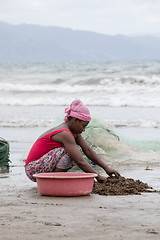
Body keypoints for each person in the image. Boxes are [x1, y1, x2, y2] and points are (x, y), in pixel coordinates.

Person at [25, 99, 120, 182]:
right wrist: (97, 176)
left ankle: (55, 178)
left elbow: (88, 150)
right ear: (74, 120)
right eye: (83, 126)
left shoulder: (74, 132)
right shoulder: (65, 133)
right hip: (33, 169)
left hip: (42, 166)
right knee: (75, 151)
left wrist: (106, 168)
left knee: (77, 150)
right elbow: (80, 161)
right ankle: (55, 180)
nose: (83, 129)